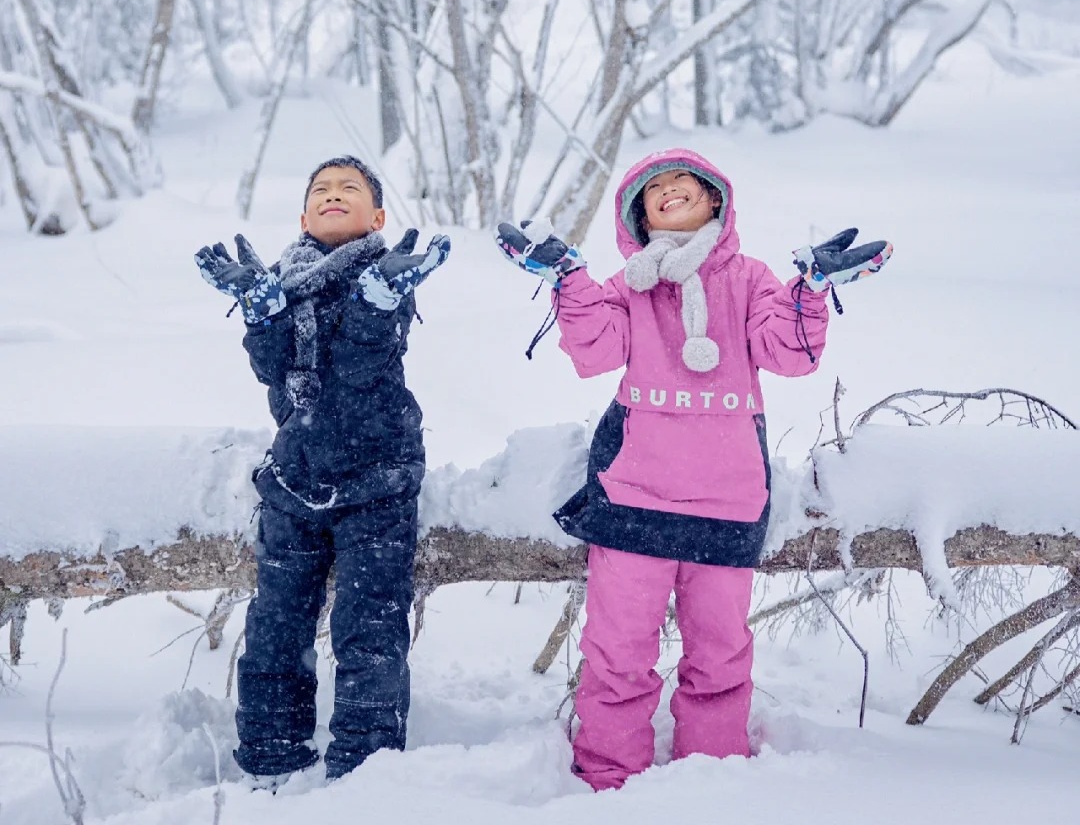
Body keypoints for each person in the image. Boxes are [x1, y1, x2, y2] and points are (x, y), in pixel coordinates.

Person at [496, 148, 891, 790]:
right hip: (633, 504)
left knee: (720, 661)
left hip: (725, 504)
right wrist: (568, 279)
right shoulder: (627, 286)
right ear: (639, 218)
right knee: (618, 658)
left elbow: (787, 355)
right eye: (654, 188)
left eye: (684, 180)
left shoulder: (754, 279)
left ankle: (712, 783)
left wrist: (810, 292)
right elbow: (594, 352)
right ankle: (607, 781)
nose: (670, 189)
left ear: (716, 200)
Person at [195, 155, 450, 785]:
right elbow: (278, 376)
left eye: (350, 189)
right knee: (276, 627)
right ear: (304, 215)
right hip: (294, 480)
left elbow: (358, 371)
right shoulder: (285, 280)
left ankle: (366, 771)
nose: (334, 195)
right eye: (321, 190)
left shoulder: (387, 274)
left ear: (378, 216)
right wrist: (262, 312)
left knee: (370, 629)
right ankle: (271, 757)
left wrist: (378, 299)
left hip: (378, 479)